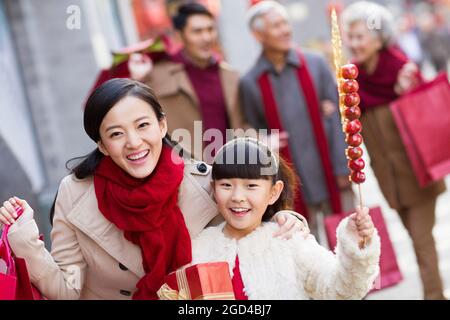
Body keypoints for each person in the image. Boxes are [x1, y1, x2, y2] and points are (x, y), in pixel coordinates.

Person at [0, 79, 305, 300]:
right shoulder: (75, 193)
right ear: (102, 146)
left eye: (142, 125)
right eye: (116, 134)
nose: (133, 142)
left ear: (162, 126)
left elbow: (251, 223)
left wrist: (288, 221)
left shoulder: (204, 184)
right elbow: (67, 291)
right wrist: (23, 239)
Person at [342, 1, 447, 300]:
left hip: (418, 172)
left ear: (379, 38)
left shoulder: (401, 69)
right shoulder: (354, 80)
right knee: (417, 241)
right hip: (389, 179)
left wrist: (409, 91)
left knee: (422, 242)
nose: (354, 43)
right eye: (351, 36)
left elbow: (427, 115)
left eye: (360, 36)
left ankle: (434, 296)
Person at [190, 138, 380, 300]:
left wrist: (355, 249)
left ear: (274, 192)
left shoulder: (290, 240)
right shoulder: (199, 248)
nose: (237, 196)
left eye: (251, 186)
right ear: (213, 189)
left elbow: (339, 289)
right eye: (226, 185)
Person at [239, 1, 354, 240]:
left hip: (330, 172)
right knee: (307, 252)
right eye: (276, 26)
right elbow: (252, 129)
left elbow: (339, 118)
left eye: (285, 23)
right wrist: (261, 140)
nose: (284, 30)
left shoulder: (316, 64)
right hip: (291, 183)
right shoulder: (251, 83)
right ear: (258, 35)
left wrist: (343, 166)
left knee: (347, 243)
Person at [129, 2, 248, 162]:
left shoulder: (231, 76)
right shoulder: (157, 75)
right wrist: (138, 79)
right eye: (197, 31)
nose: (206, 37)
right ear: (179, 35)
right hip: (185, 170)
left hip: (231, 169)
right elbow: (134, 113)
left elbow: (245, 123)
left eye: (210, 29)